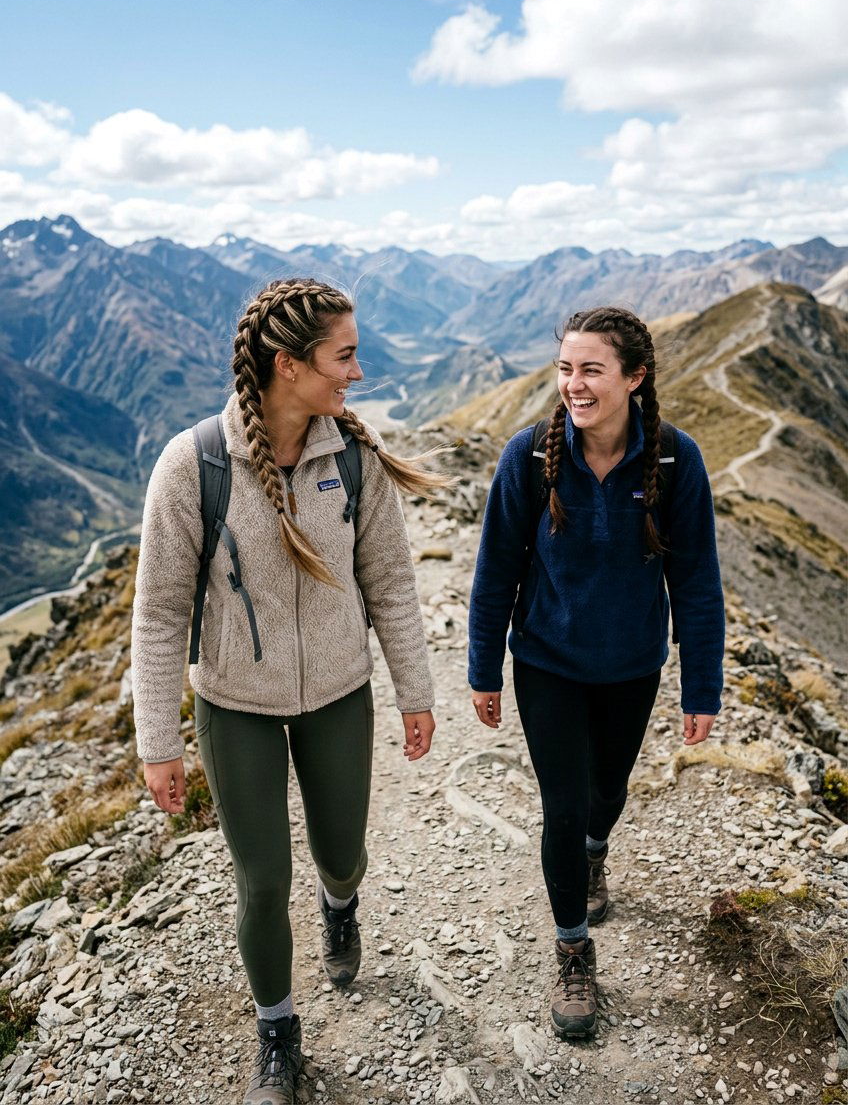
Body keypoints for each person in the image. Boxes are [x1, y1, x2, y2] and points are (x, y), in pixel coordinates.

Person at [131, 277, 449, 1105]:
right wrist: (158, 741)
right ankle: (278, 1030)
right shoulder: (192, 465)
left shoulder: (351, 456)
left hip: (341, 691)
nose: (357, 372)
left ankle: (340, 903)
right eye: (344, 356)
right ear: (288, 364)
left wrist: (415, 691)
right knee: (262, 879)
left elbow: (391, 582)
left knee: (341, 853)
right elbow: (161, 611)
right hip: (234, 703)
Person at [467, 306, 724, 1040]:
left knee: (607, 793)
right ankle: (574, 949)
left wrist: (702, 687)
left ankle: (595, 855)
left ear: (634, 377)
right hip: (547, 662)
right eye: (564, 369)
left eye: (591, 370)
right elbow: (496, 572)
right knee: (565, 803)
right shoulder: (529, 457)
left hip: (633, 665)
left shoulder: (676, 460)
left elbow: (698, 582)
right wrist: (484, 669)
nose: (572, 385)